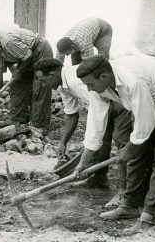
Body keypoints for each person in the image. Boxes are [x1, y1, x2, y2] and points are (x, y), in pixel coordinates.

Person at [73, 54, 155, 229]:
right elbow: (95, 125)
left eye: (90, 84)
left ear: (104, 76)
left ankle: (152, 215)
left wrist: (130, 147)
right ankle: (130, 205)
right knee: (137, 156)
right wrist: (83, 162)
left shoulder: (132, 80)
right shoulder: (98, 88)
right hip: (144, 103)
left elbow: (145, 122)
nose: (89, 89)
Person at [34, 58, 132, 204]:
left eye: (43, 80)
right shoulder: (62, 87)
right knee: (99, 140)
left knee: (122, 142)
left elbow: (98, 100)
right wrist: (63, 142)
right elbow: (72, 115)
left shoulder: (75, 79)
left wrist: (87, 153)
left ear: (53, 75)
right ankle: (99, 179)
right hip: (101, 104)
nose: (43, 84)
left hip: (119, 102)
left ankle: (124, 193)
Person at [0, 23, 53, 129]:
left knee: (40, 86)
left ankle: (39, 125)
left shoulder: (7, 41)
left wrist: (18, 71)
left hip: (39, 49)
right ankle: (18, 119)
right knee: (17, 84)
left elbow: (28, 56)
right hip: (25, 55)